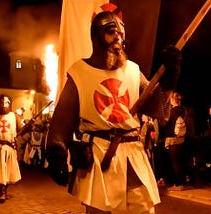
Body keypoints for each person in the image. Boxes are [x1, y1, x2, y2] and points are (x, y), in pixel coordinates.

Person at [46, 6, 182, 214]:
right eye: (111, 31)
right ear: (96, 36)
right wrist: (56, 151)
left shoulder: (133, 71)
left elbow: (160, 110)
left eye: (121, 32)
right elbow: (62, 119)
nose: (118, 36)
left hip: (133, 156)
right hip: (99, 157)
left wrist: (171, 75)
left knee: (142, 209)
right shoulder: (79, 73)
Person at [164, 92, 187, 191]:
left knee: (175, 162)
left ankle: (178, 184)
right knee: (180, 161)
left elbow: (166, 125)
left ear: (172, 100)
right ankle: (182, 181)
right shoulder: (183, 110)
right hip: (181, 138)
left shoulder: (172, 111)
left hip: (172, 139)